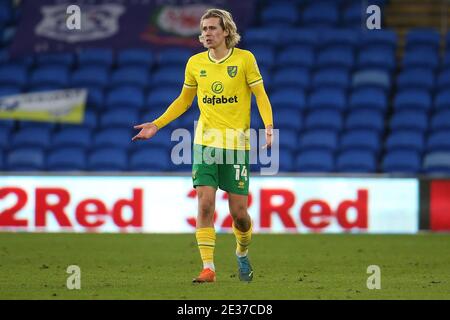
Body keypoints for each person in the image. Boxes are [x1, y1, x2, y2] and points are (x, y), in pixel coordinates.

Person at [132, 8, 273, 283]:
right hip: (205, 144)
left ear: (226, 32)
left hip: (236, 146)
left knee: (239, 214)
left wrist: (268, 126)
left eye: (212, 28)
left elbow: (261, 95)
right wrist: (157, 125)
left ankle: (242, 252)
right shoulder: (195, 63)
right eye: (204, 29)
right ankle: (208, 268)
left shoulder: (245, 60)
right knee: (205, 204)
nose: (207, 33)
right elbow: (184, 100)